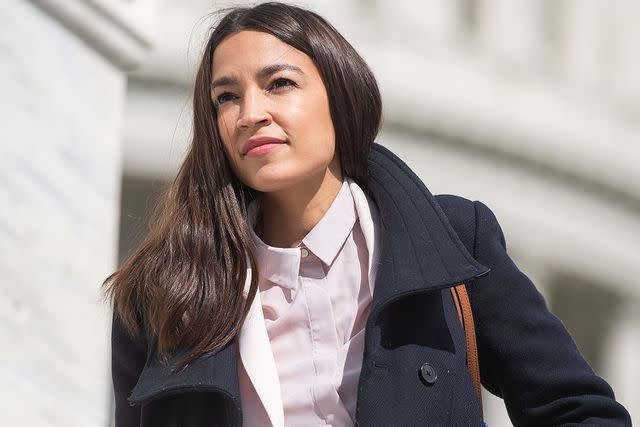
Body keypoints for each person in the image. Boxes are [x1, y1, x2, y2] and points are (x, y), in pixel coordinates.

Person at [104, 2, 632, 426]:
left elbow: (579, 411)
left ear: (341, 97)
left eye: (280, 84)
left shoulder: (453, 244)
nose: (251, 114)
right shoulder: (163, 297)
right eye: (225, 97)